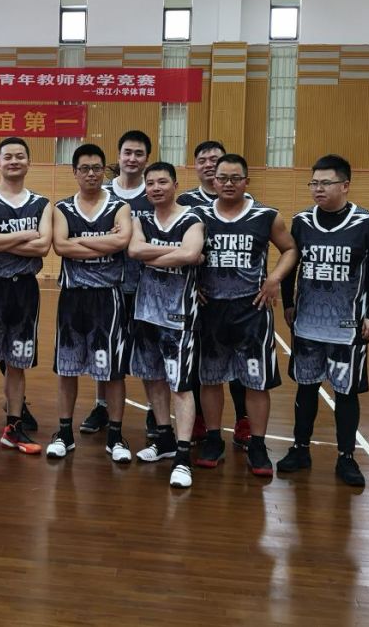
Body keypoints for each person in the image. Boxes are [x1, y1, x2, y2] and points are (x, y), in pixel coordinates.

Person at [276, 154, 369, 487]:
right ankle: (300, 449)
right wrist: (288, 303)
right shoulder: (301, 222)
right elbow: (290, 263)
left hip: (348, 326)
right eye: (314, 183)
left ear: (345, 185)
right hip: (308, 323)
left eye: (325, 183)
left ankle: (346, 457)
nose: (318, 189)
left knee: (346, 392)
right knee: (306, 388)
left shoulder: (367, 224)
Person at [194, 154, 297, 477]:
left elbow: (290, 249)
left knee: (257, 382)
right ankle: (214, 439)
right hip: (210, 310)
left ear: (246, 181)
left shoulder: (266, 216)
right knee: (210, 379)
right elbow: (184, 252)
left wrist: (274, 278)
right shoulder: (197, 216)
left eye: (235, 178)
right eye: (222, 178)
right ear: (213, 181)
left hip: (251, 309)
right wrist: (191, 283)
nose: (228, 183)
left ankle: (258, 444)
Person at [0, 137, 52, 465]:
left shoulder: (42, 203)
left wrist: (0, 238)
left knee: (17, 364)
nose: (14, 161)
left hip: (26, 291)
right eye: (8, 156)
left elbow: (43, 247)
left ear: (28, 162)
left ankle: (13, 429)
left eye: (20, 156)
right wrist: (26, 235)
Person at [47, 144, 133, 462]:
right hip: (73, 295)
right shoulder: (62, 207)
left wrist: (78, 240)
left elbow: (122, 241)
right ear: (75, 172)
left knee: (113, 371)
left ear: (103, 171)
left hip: (108, 296)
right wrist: (103, 242)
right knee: (67, 368)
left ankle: (116, 435)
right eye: (84, 168)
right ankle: (64, 433)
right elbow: (60, 246)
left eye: (97, 168)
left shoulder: (120, 206)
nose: (91, 174)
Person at [127, 162, 205, 488]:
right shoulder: (141, 220)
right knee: (153, 377)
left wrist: (154, 255)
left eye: (162, 182)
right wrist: (179, 251)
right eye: (150, 183)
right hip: (146, 312)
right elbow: (134, 250)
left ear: (175, 184)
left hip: (179, 316)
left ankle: (183, 457)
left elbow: (191, 254)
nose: (156, 188)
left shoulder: (192, 219)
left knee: (180, 385)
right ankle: (164, 439)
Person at [177, 139, 252, 450]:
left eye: (215, 159)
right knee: (199, 361)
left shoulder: (246, 201)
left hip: (239, 300)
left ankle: (244, 419)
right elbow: (177, 246)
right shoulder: (185, 202)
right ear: (195, 166)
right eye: (203, 160)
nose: (209, 164)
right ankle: (198, 419)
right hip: (200, 297)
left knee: (238, 362)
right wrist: (192, 285)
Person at [81, 130, 153, 437]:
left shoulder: (154, 192)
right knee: (104, 346)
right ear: (119, 155)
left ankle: (154, 411)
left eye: (139, 153)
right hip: (105, 284)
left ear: (147, 158)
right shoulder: (103, 192)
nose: (132, 158)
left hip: (147, 286)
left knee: (149, 349)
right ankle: (101, 406)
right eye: (127, 152)